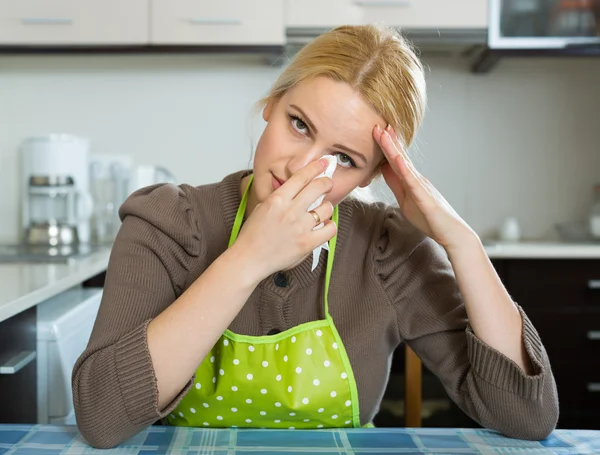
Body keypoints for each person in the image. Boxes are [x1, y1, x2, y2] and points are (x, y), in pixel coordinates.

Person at [72, 24, 559, 449]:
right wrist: (247, 260)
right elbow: (101, 416)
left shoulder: (387, 252)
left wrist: (463, 244)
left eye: (344, 158)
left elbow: (527, 418)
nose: (302, 168)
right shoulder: (169, 223)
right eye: (299, 125)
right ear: (270, 104)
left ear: (371, 176)